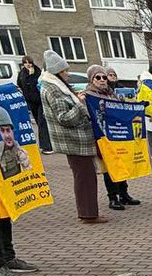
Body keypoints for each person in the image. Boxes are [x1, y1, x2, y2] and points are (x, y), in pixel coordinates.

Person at [39, 47, 107, 224]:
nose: (67, 74)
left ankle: (88, 212)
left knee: (86, 176)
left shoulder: (57, 86)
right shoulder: (52, 89)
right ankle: (88, 214)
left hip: (77, 140)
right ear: (56, 72)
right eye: (64, 71)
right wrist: (79, 104)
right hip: (74, 141)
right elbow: (64, 118)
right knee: (84, 178)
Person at [85, 65, 140, 210]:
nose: (102, 80)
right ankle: (113, 197)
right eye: (98, 77)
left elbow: (121, 109)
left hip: (116, 135)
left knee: (121, 163)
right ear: (91, 79)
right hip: (102, 136)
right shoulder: (89, 96)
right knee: (108, 168)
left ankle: (124, 194)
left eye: (104, 77)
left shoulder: (111, 93)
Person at [0, 109, 38, 276]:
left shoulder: (14, 149)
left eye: (8, 130)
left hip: (4, 190)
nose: (7, 135)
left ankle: (8, 257)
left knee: (5, 220)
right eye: (2, 131)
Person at [17, 56, 52, 154]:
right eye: (25, 63)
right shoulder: (22, 73)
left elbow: (37, 85)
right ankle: (48, 143)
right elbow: (20, 84)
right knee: (38, 122)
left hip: (40, 101)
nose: (28, 65)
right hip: (31, 102)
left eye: (29, 62)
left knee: (42, 123)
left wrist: (31, 76)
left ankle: (47, 147)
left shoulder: (37, 72)